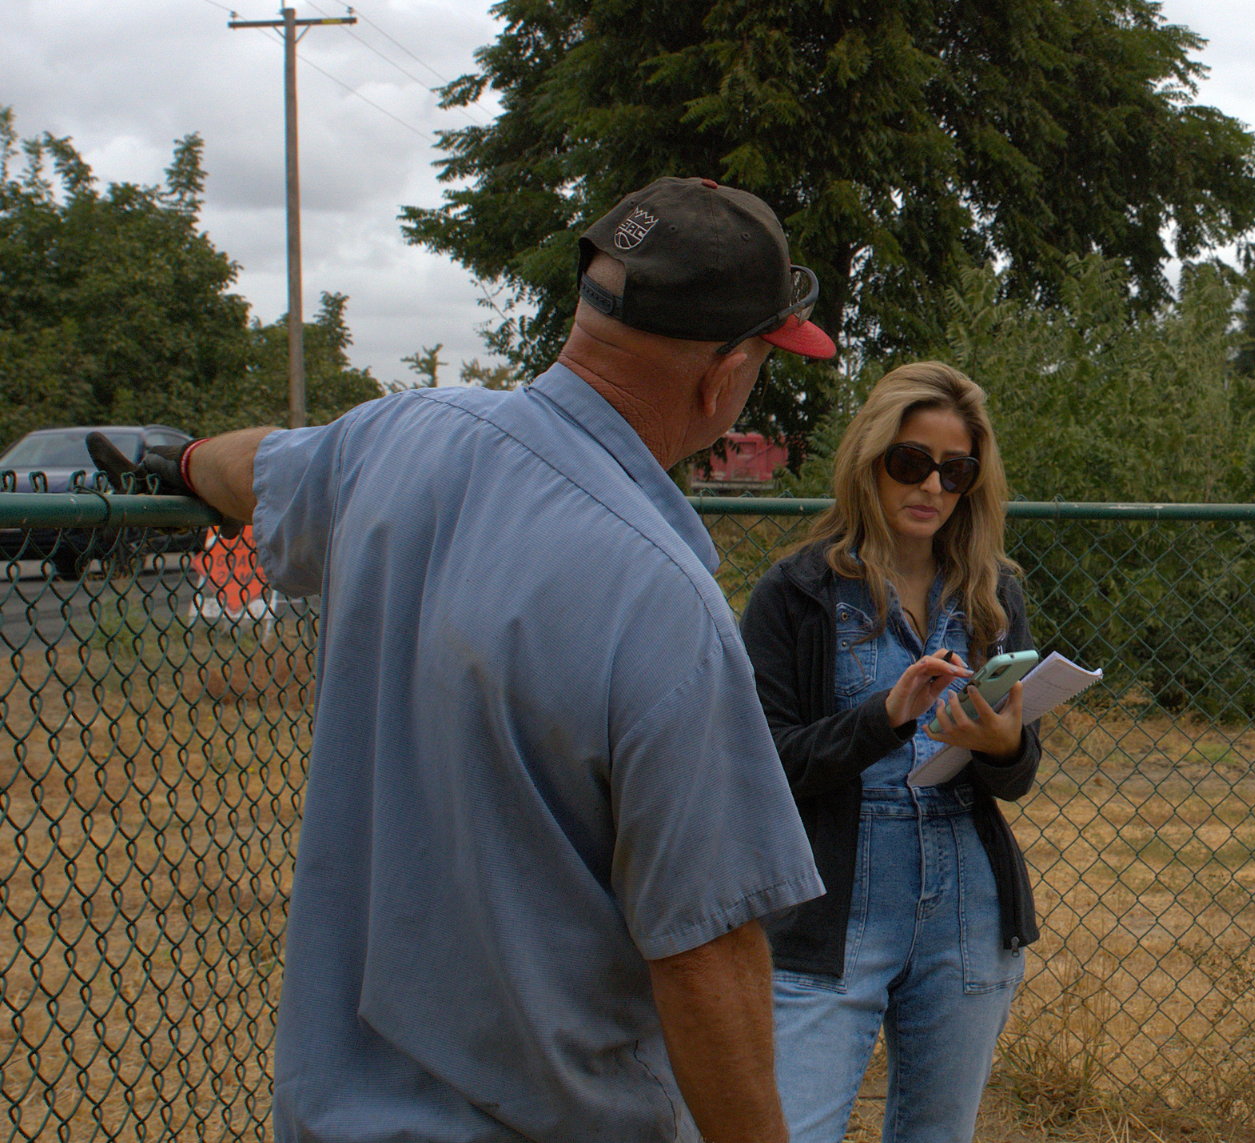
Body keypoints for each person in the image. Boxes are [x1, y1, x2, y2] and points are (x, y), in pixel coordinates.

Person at [89, 176, 834, 1143]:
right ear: (723, 373)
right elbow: (706, 953)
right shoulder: (665, 602)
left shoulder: (397, 438)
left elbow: (253, 465)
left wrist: (180, 462)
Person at [739, 362, 1040, 1143]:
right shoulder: (795, 593)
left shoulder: (993, 595)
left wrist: (1004, 744)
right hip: (829, 906)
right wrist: (885, 716)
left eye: (955, 470)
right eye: (910, 461)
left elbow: (1021, 772)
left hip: (967, 907)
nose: (931, 486)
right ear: (869, 460)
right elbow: (762, 763)